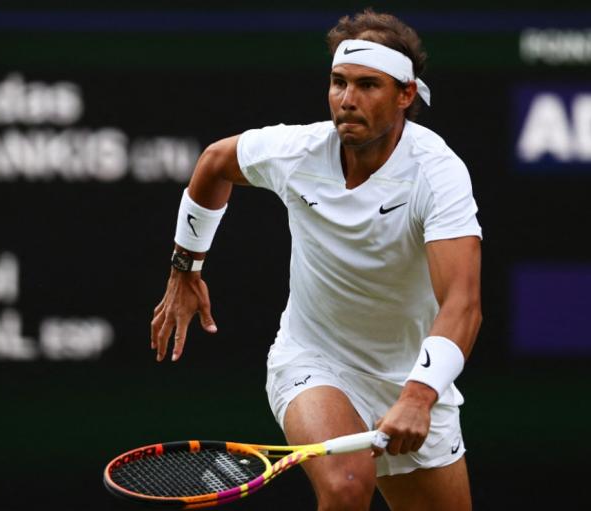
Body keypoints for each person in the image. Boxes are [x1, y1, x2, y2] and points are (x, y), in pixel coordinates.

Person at [150, 9, 482, 511]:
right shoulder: (297, 151)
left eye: (368, 85)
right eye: (338, 82)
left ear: (405, 94)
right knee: (346, 485)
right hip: (315, 361)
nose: (347, 100)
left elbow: (463, 303)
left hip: (414, 378)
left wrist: (418, 395)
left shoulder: (437, 174)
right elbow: (215, 162)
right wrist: (185, 270)